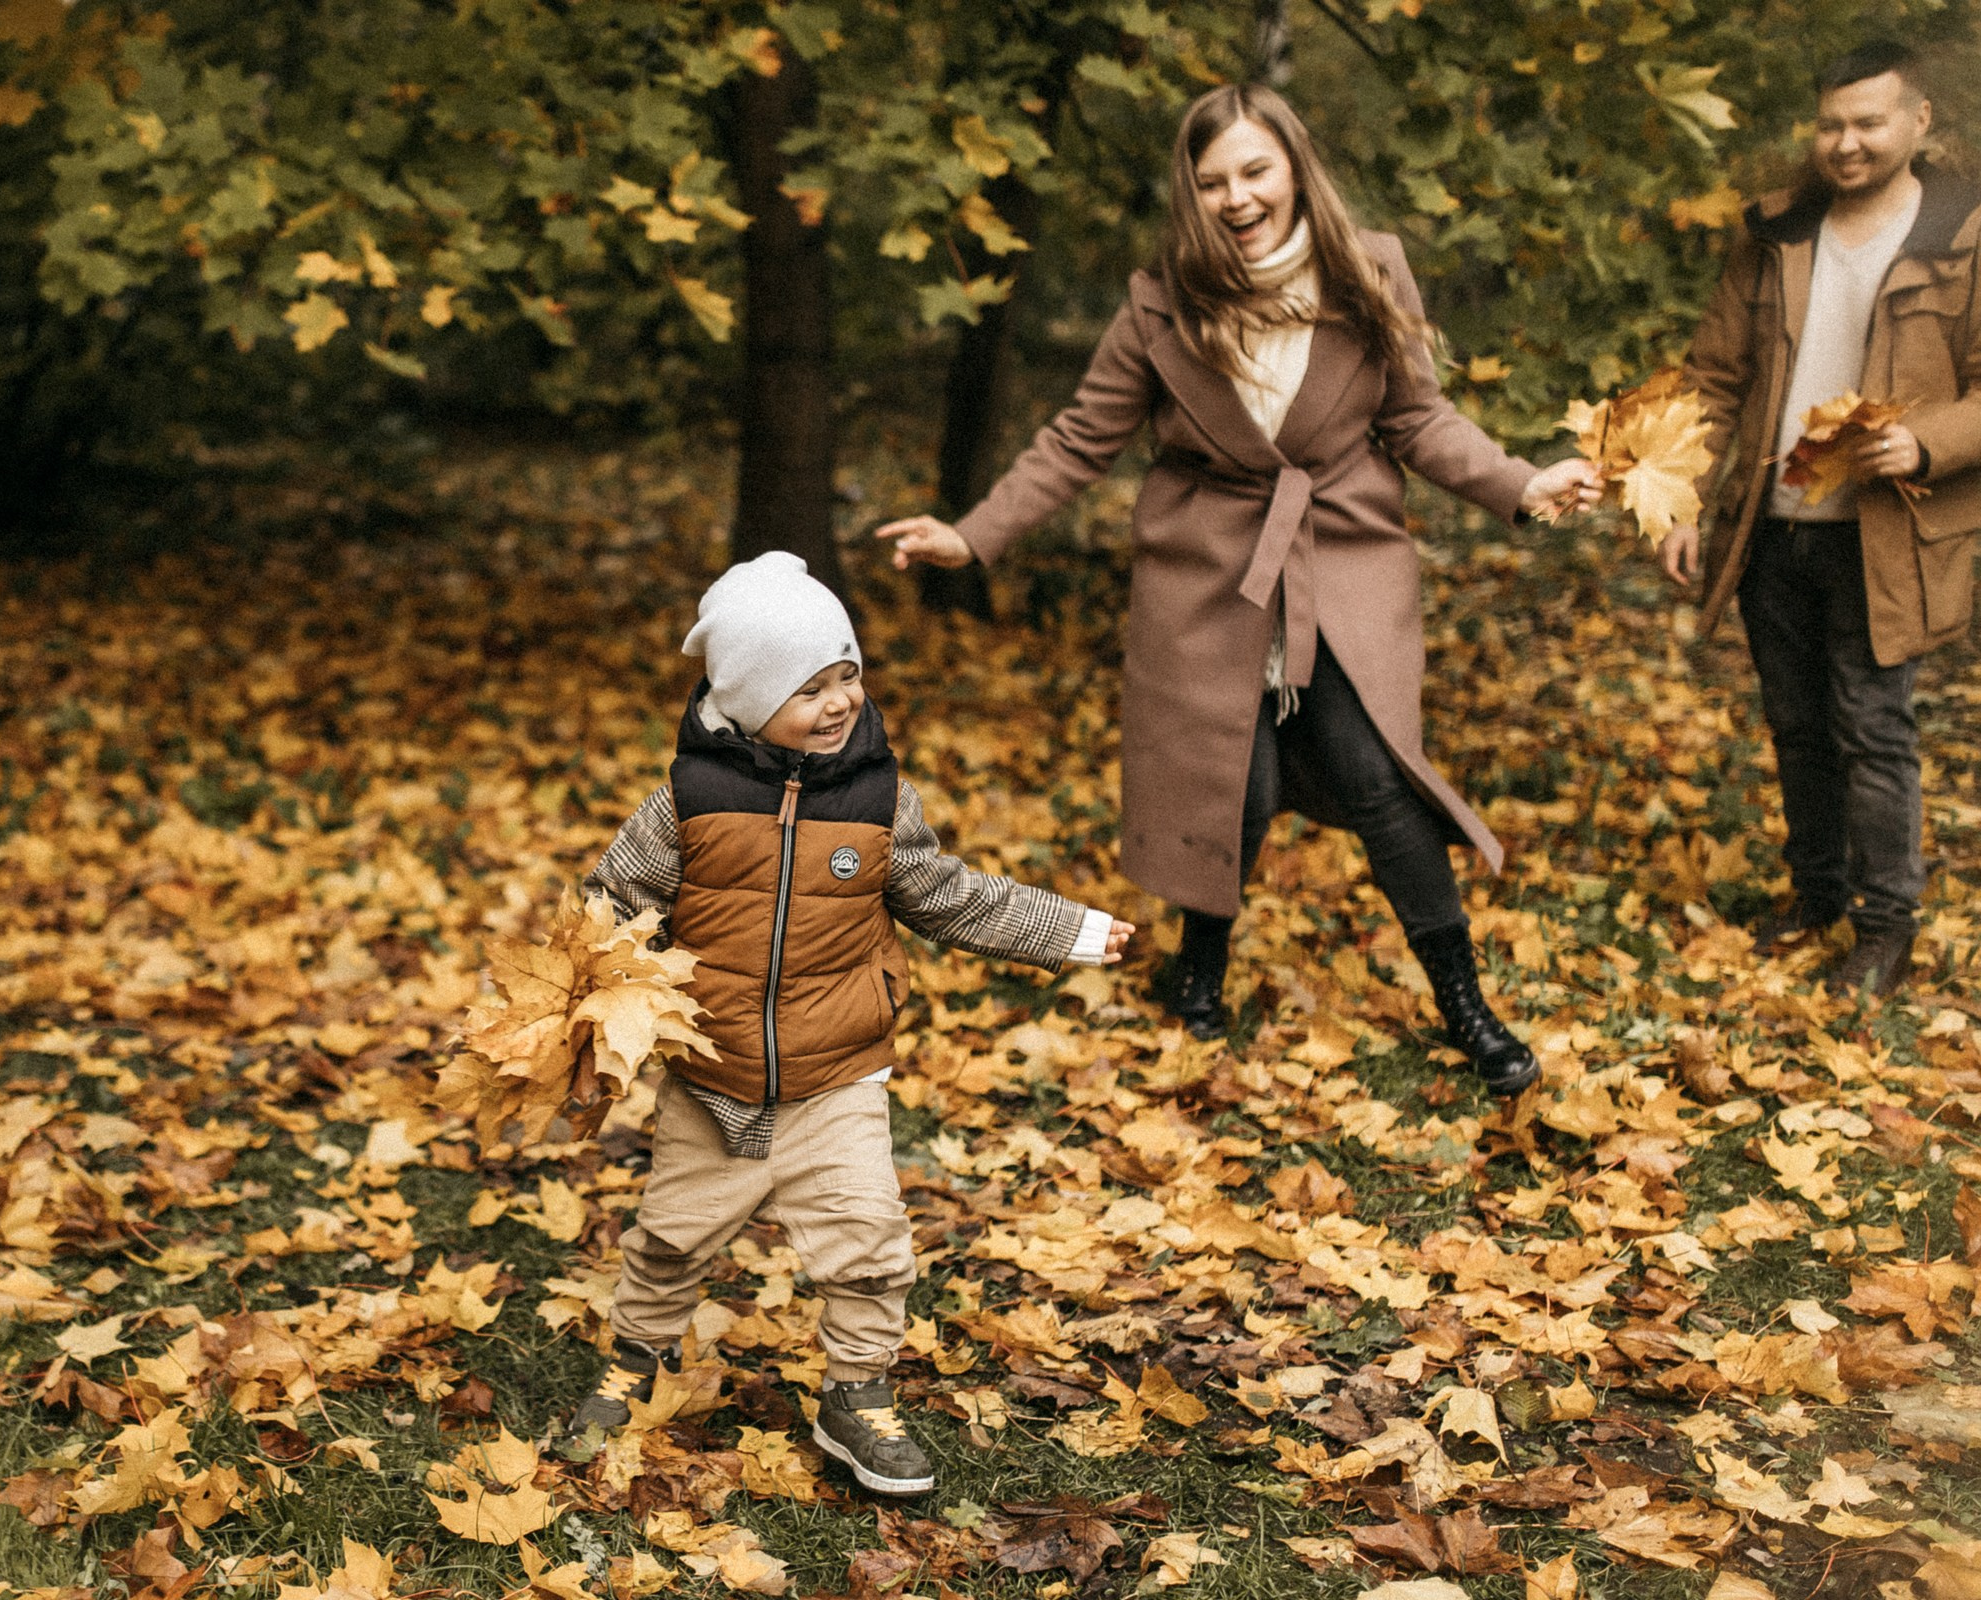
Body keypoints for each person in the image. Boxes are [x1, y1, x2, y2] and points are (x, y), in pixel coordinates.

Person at [875, 84, 1598, 1095]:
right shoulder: (1161, 301)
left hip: (1341, 559)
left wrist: (1522, 483)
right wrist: (972, 533)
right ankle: (1199, 973)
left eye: (1256, 171)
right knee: (1235, 785)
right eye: (1213, 181)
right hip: (1207, 574)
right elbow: (1081, 439)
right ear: (1192, 192)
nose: (1238, 198)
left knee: (1380, 777)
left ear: (1294, 168)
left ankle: (1464, 1002)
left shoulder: (1370, 271)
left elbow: (1419, 420)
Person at [571, 551, 1133, 1496]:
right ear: (747, 700)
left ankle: (858, 1393)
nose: (838, 703)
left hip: (839, 1076)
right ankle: (638, 1359)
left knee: (870, 1243)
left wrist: (1066, 929)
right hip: (713, 1076)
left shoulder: (879, 802)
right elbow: (611, 910)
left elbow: (950, 897)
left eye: (847, 676)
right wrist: (593, 1019)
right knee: (670, 1235)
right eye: (809, 689)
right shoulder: (686, 804)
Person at [1664, 39, 1980, 999]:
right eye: (1831, 125)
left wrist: (1926, 442)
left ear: (1918, 120)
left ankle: (1886, 928)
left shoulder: (1965, 233)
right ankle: (1817, 895)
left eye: (1868, 123)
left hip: (1888, 534)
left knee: (1873, 730)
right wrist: (1680, 496)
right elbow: (1713, 378)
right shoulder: (1778, 231)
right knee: (1797, 725)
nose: (1846, 144)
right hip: (1774, 528)